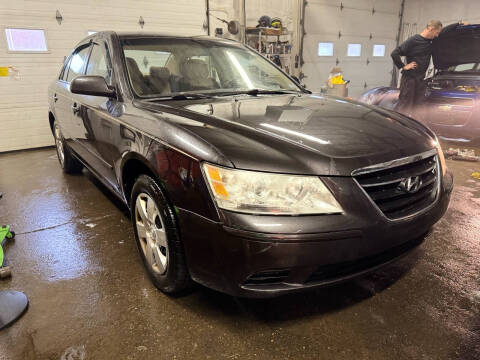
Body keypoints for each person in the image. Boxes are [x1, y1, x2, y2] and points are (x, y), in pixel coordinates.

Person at [391, 20, 463, 117]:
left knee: (418, 106)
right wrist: (403, 67)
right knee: (405, 104)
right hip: (409, 79)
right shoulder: (413, 40)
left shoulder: (431, 41)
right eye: (436, 33)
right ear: (431, 29)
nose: (437, 35)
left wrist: (458, 23)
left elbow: (444, 31)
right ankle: (396, 124)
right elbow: (394, 53)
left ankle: (414, 127)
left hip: (421, 79)